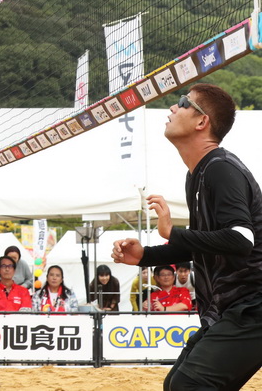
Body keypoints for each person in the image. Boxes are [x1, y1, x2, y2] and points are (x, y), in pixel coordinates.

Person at [112, 84, 262, 389]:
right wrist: (147, 256)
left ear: (201, 122)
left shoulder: (221, 168)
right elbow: (205, 243)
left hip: (252, 307)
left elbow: (240, 239)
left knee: (186, 385)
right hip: (230, 308)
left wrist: (173, 232)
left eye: (183, 103)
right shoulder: (198, 173)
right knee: (175, 384)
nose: (172, 108)